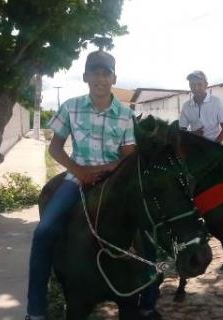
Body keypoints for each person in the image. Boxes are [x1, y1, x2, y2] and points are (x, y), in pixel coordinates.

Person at [25, 50, 141, 319]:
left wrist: (108, 169)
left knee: (146, 232)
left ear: (114, 78)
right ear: (86, 76)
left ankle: (147, 299)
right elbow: (55, 147)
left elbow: (129, 155)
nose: (100, 78)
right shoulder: (71, 106)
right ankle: (36, 310)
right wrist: (79, 170)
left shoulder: (125, 113)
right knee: (44, 232)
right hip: (76, 179)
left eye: (106, 73)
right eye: (95, 73)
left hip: (115, 182)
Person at [179, 70, 223, 143]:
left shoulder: (217, 102)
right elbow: (182, 130)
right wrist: (193, 134)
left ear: (206, 85)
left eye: (199, 84)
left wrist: (213, 146)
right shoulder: (186, 106)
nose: (196, 88)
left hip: (215, 145)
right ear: (189, 86)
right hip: (194, 145)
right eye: (192, 84)